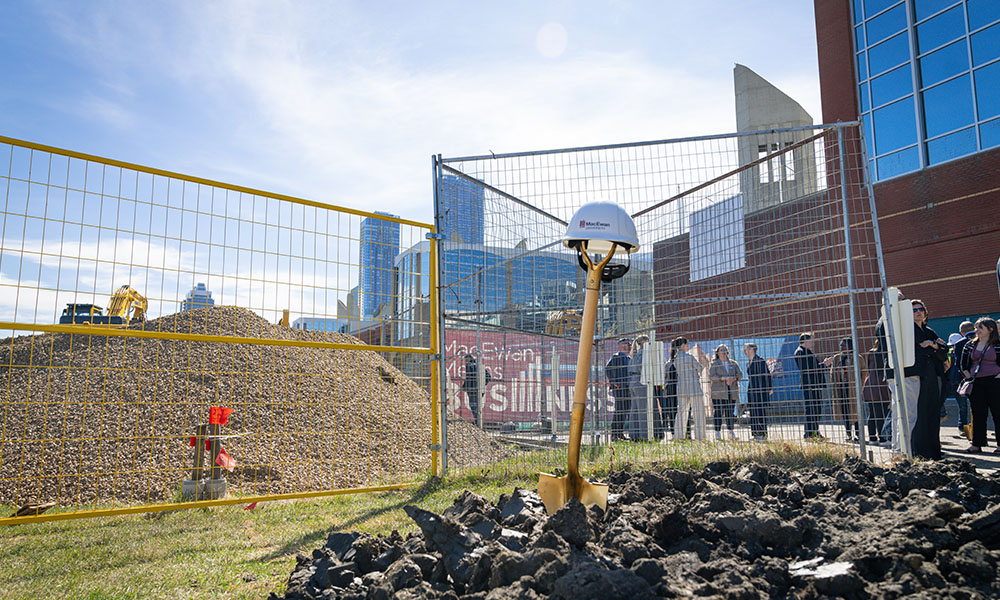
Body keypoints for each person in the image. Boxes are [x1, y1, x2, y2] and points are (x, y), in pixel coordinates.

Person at [908, 299, 948, 460]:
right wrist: (935, 348)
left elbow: (944, 350)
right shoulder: (909, 331)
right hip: (919, 375)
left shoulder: (929, 331)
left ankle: (934, 449)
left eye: (921, 309)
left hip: (934, 375)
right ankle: (920, 451)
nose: (918, 312)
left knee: (933, 411)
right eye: (914, 310)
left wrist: (932, 345)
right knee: (920, 412)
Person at [959, 317, 1000, 454]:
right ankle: (977, 443)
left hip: (995, 382)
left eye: (980, 328)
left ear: (990, 329)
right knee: (977, 413)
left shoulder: (998, 344)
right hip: (976, 382)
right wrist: (967, 375)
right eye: (976, 327)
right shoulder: (970, 345)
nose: (977, 330)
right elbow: (963, 363)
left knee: (998, 412)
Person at [794, 333, 826, 440]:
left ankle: (815, 432)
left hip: (815, 384)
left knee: (817, 409)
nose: (813, 342)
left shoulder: (808, 352)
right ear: (806, 341)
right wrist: (824, 364)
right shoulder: (800, 352)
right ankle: (809, 434)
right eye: (812, 340)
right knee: (811, 409)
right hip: (809, 385)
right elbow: (809, 369)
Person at [672, 337, 706, 441]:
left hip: (682, 388)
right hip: (694, 387)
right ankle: (700, 437)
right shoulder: (689, 357)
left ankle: (678, 436)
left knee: (681, 413)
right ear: (683, 345)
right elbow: (700, 367)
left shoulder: (676, 359)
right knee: (698, 413)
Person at [829, 338, 861, 442]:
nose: (841, 348)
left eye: (843, 346)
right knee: (845, 411)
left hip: (853, 388)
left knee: (856, 411)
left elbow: (863, 372)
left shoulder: (857, 358)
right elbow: (832, 373)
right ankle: (848, 433)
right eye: (840, 346)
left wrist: (860, 385)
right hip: (842, 387)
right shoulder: (837, 358)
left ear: (850, 347)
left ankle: (858, 434)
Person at [947, 322, 975, 439]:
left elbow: (957, 365)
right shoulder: (984, 340)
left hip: (961, 380)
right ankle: (973, 430)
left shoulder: (959, 345)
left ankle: (964, 428)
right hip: (978, 378)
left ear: (961, 332)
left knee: (963, 406)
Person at [708, 344, 743, 440]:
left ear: (727, 352)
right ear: (717, 353)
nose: (723, 352)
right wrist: (722, 378)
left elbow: (740, 374)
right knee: (718, 412)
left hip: (731, 392)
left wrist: (734, 378)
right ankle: (717, 432)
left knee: (729, 412)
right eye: (721, 350)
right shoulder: (714, 364)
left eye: (725, 350)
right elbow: (711, 376)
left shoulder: (733, 363)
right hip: (718, 393)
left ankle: (731, 432)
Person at [862, 338, 890, 443]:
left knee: (872, 413)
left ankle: (872, 438)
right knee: (881, 413)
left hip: (870, 385)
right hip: (881, 386)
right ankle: (882, 438)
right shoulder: (885, 354)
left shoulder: (871, 353)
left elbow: (869, 368)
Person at [605, 338, 632, 441]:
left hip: (627, 388)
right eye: (626, 344)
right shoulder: (616, 357)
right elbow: (608, 369)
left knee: (624, 411)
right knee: (619, 411)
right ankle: (614, 434)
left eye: (629, 344)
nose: (628, 347)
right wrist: (614, 382)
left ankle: (620, 433)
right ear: (621, 346)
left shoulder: (628, 358)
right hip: (619, 388)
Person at [743, 343, 771, 441]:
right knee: (753, 412)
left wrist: (769, 388)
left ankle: (762, 434)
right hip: (752, 391)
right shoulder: (748, 362)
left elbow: (767, 375)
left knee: (760, 412)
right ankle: (755, 434)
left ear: (751, 349)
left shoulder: (760, 361)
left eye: (745, 349)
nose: (744, 351)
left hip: (760, 391)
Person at [627, 335, 650, 441]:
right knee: (643, 411)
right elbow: (641, 365)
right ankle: (644, 436)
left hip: (632, 382)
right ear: (644, 342)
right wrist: (645, 376)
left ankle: (633, 434)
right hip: (640, 382)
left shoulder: (633, 354)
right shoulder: (643, 352)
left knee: (634, 410)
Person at [462, 354, 491, 428]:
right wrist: (483, 384)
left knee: (473, 406)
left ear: (468, 359)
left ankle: (477, 422)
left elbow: (468, 378)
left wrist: (465, 387)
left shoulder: (469, 366)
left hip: (472, 390)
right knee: (477, 406)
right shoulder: (479, 366)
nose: (465, 362)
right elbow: (489, 377)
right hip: (480, 390)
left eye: (465, 360)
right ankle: (478, 422)